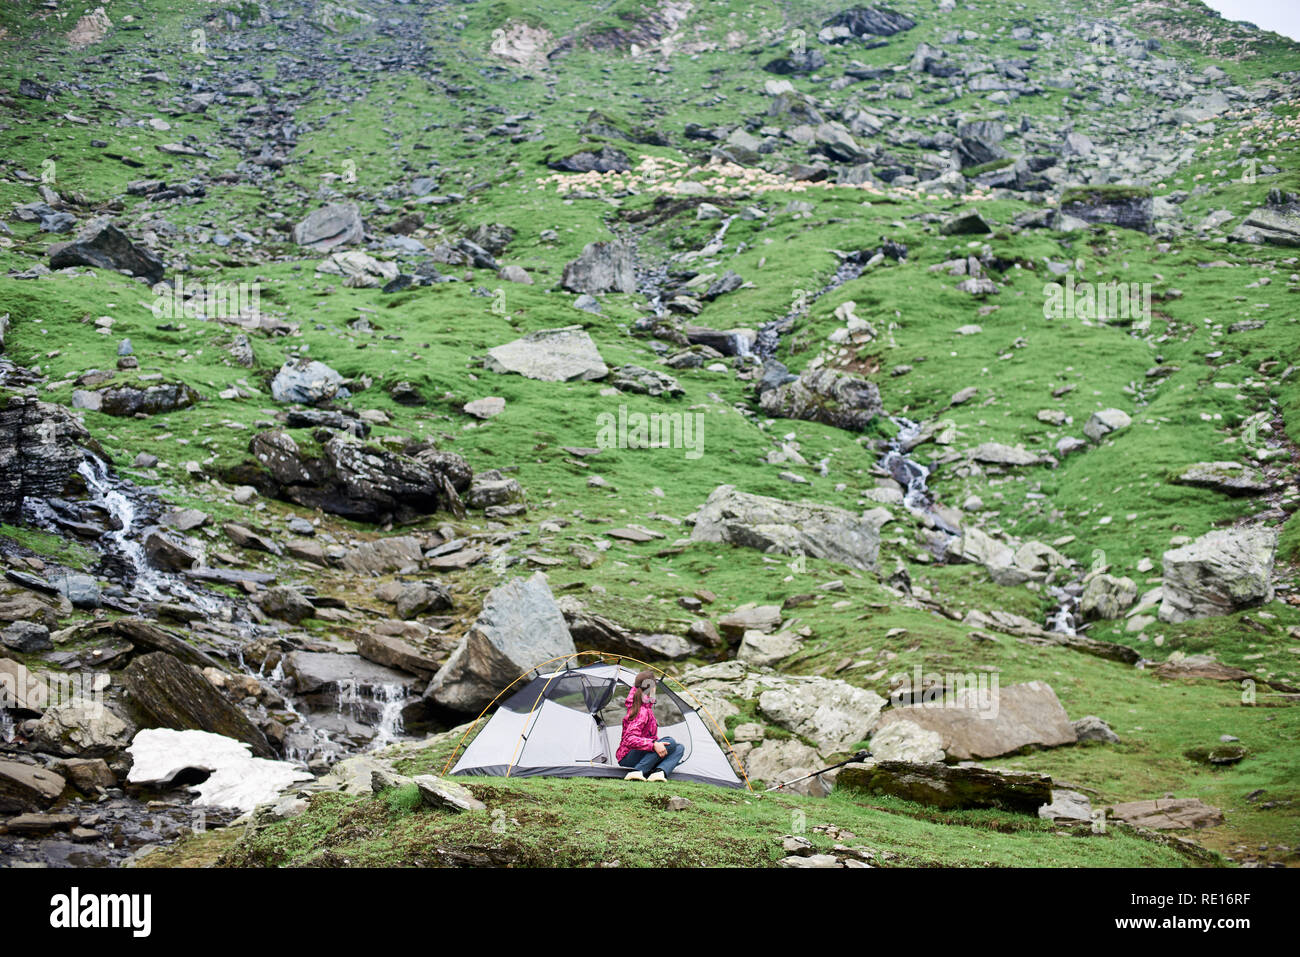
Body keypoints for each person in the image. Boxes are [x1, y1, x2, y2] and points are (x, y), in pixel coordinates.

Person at [616, 670, 685, 782]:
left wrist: (656, 744)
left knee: (679, 748)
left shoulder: (646, 708)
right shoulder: (641, 711)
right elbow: (629, 739)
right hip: (627, 757)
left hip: (640, 753)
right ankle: (638, 771)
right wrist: (653, 745)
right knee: (670, 741)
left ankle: (659, 773)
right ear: (652, 688)